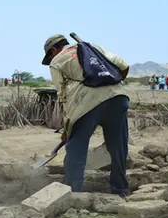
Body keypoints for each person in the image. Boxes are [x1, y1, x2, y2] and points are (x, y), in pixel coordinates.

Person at [41, 33, 131, 196]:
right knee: (118, 147)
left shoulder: (57, 61)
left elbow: (62, 96)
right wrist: (110, 84)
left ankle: (73, 193)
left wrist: (68, 130)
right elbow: (124, 66)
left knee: (76, 148)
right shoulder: (93, 47)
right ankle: (120, 190)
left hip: (86, 104)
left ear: (54, 50)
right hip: (118, 98)